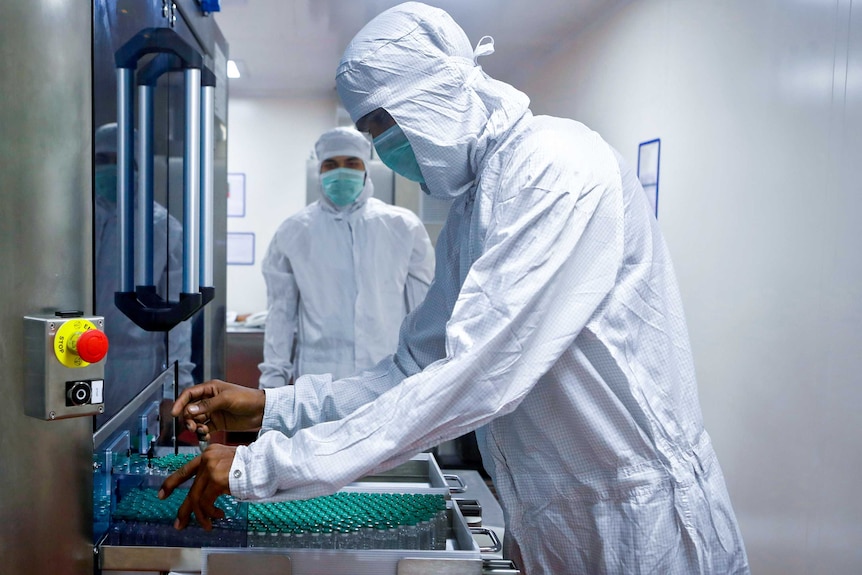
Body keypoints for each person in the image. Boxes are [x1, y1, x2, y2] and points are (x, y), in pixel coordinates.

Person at [159, 3, 750, 573]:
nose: (383, 152)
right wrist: (272, 406)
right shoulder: (475, 207)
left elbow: (475, 376)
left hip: (641, 525)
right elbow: (415, 368)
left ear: (431, 97)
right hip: (554, 523)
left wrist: (260, 465)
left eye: (382, 129)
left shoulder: (557, 171)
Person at [257, 126, 435, 388]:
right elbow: (280, 315)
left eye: (351, 163)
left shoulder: (403, 227)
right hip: (319, 383)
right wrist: (270, 388)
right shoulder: (294, 232)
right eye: (331, 164)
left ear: (365, 169)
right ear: (319, 171)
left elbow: (422, 311)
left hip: (388, 379)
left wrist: (426, 376)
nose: (341, 171)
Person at [94, 123, 195, 436]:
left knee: (131, 460)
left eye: (123, 160)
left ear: (139, 167)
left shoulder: (163, 226)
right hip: (77, 363)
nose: (111, 168)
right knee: (76, 464)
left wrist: (172, 392)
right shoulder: (74, 220)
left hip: (137, 373)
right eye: (103, 159)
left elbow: (179, 317)